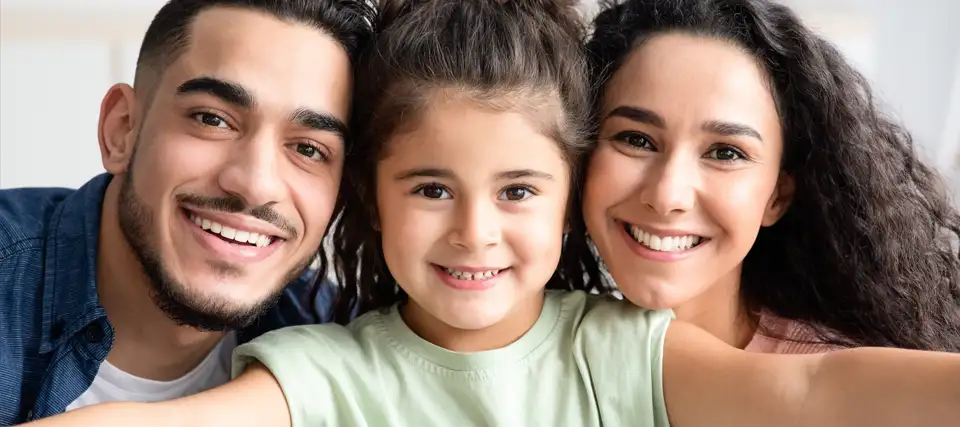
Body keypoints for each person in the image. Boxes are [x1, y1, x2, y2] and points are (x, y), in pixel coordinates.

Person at [28, 1, 960, 426]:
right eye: (431, 188)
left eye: (517, 191)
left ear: (568, 197)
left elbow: (812, 391)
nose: (475, 231)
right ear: (369, 197)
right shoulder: (322, 364)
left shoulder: (620, 349)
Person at [0, 0, 374, 423]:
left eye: (308, 149)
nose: (255, 183)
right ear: (121, 129)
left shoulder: (339, 340)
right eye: (213, 120)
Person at [574, 0, 960, 353]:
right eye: (636, 140)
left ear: (777, 196)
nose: (667, 194)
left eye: (726, 152)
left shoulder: (842, 389)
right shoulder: (548, 349)